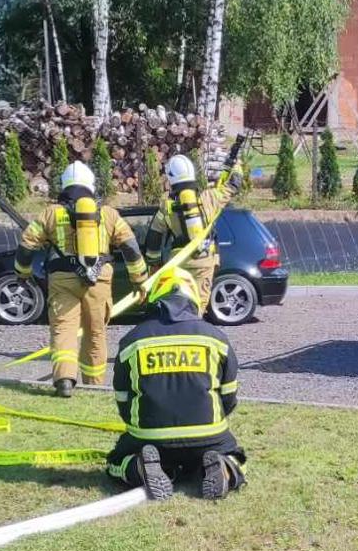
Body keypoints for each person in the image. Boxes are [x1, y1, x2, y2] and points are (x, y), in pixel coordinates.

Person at [106, 268, 246, 501]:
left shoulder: (132, 340)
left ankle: (140, 466)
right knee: (236, 457)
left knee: (115, 463)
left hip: (149, 435)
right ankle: (224, 466)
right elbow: (229, 396)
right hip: (208, 434)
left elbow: (122, 397)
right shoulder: (216, 338)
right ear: (193, 297)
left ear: (155, 298)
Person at [17, 161, 147, 396]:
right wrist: (140, 280)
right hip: (98, 282)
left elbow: (27, 244)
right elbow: (130, 247)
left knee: (64, 330)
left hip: (63, 280)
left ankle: (65, 379)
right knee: (95, 333)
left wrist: (23, 273)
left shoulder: (50, 213)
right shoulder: (108, 214)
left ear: (64, 185)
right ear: (91, 185)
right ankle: (95, 385)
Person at [148, 154, 226, 304]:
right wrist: (236, 168)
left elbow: (154, 237)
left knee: (179, 303)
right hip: (204, 260)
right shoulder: (209, 198)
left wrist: (154, 264)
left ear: (171, 178)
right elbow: (230, 188)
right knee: (199, 305)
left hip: (180, 261)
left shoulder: (167, 207)